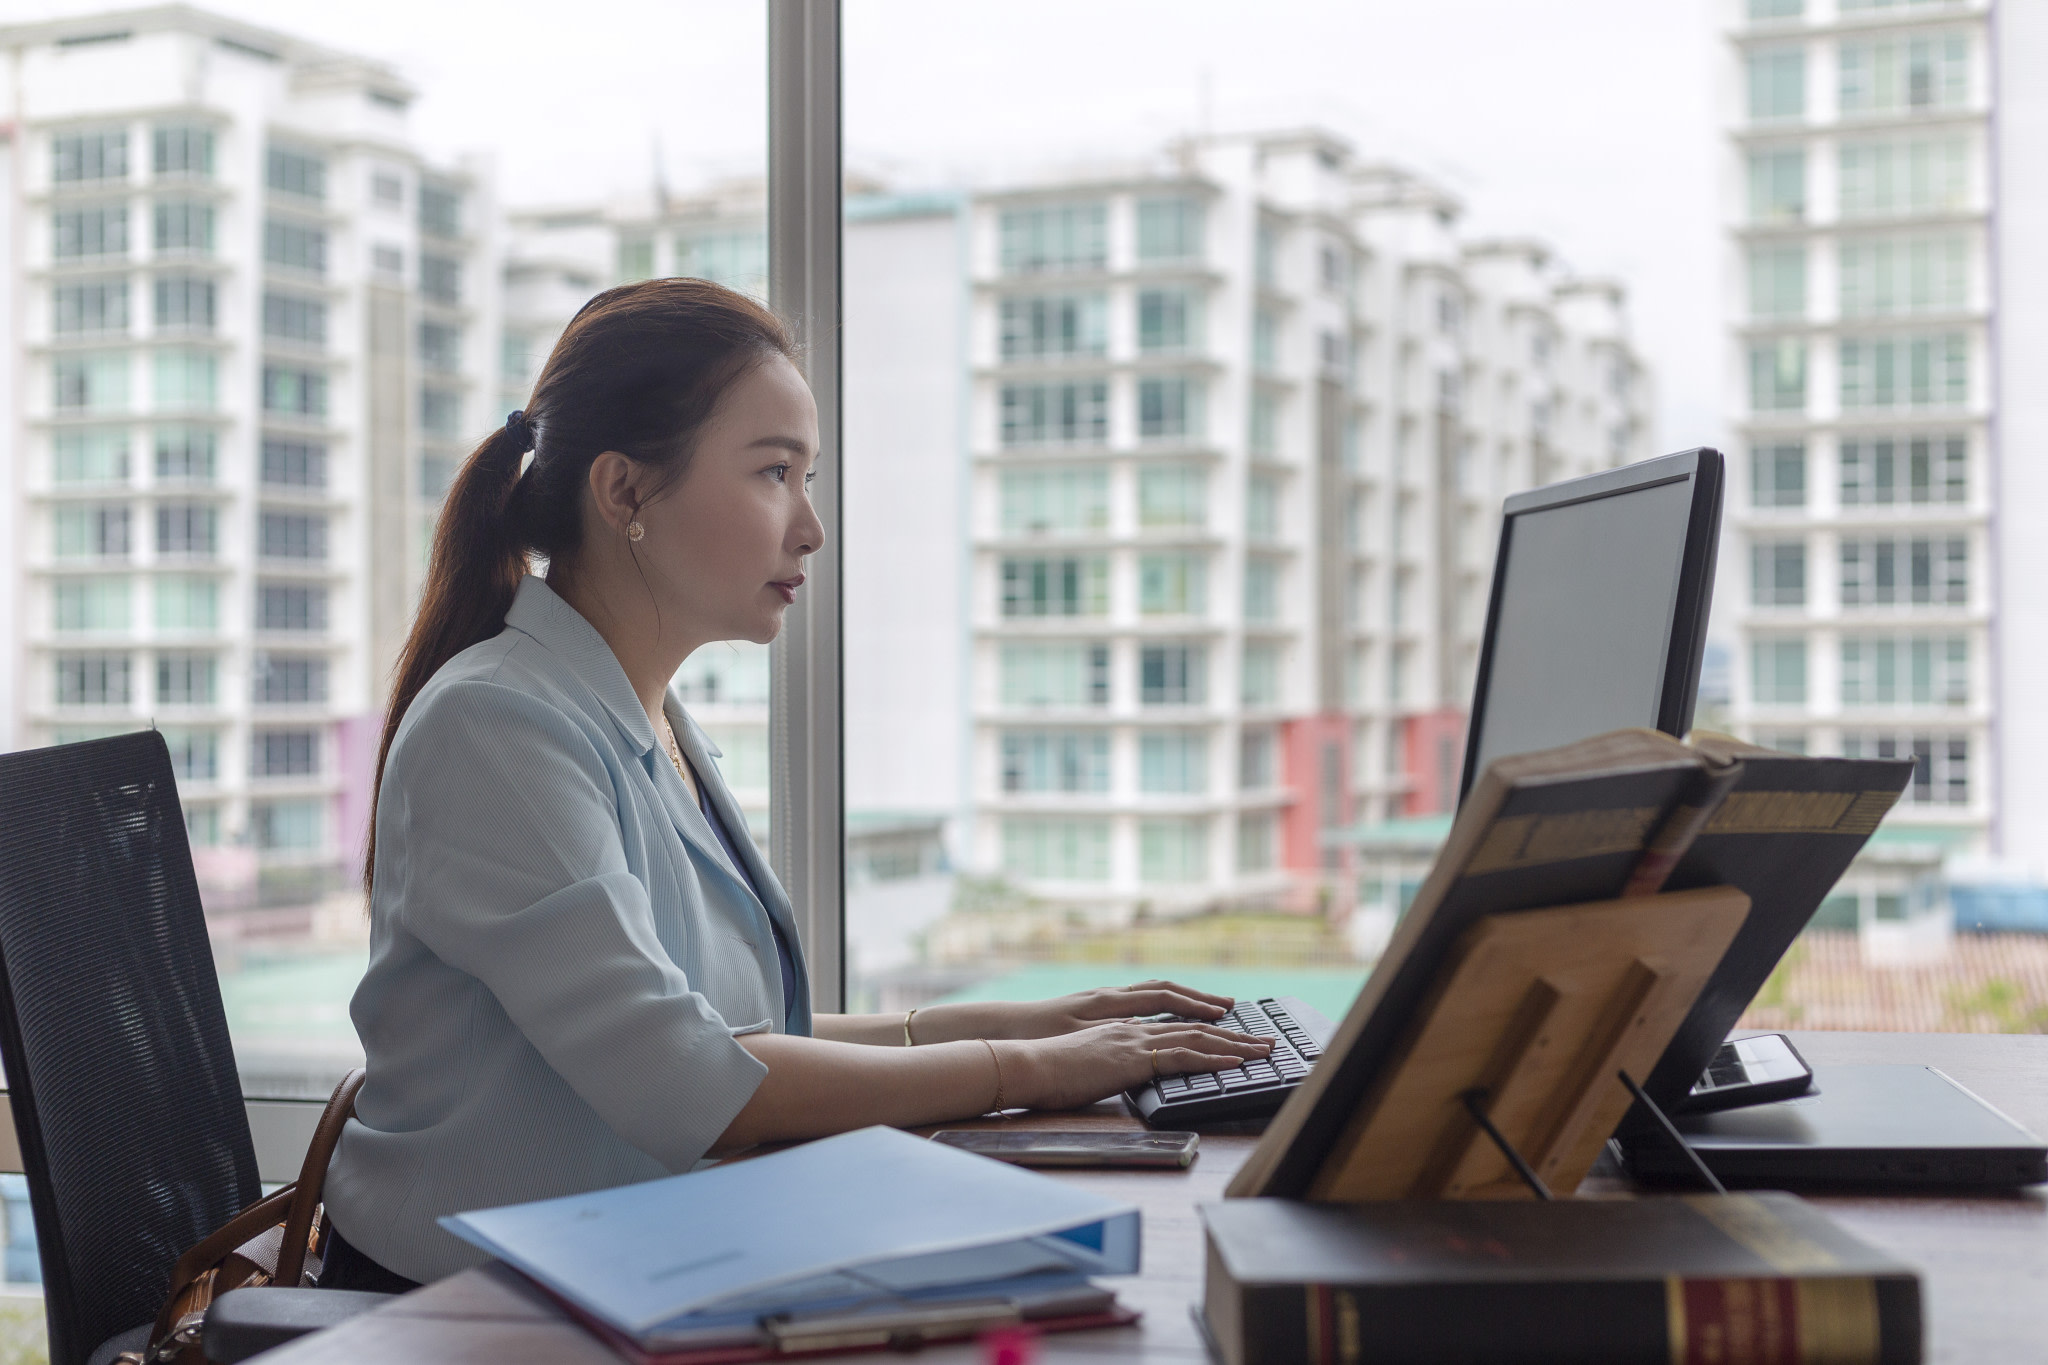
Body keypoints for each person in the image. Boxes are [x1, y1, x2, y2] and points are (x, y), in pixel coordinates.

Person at [320, 278, 1272, 1288]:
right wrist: (1029, 1072)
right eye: (775, 473)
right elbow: (689, 1079)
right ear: (624, 492)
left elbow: (736, 1036)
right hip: (461, 1308)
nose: (810, 528)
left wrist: (1043, 1022)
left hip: (633, 1265)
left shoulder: (641, 716)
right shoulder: (498, 724)